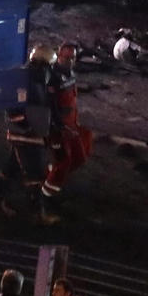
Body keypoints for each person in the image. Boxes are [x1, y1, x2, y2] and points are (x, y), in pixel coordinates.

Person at [0, 46, 54, 217]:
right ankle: (37, 214)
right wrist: (27, 126)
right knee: (34, 174)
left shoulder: (32, 78)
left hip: (27, 134)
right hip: (26, 136)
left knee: (11, 169)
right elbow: (14, 106)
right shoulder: (28, 80)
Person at [38, 44, 91, 225]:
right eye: (67, 57)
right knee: (63, 163)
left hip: (70, 126)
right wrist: (60, 126)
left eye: (73, 57)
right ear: (59, 56)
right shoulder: (52, 77)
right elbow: (50, 106)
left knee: (79, 158)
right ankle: (45, 204)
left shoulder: (70, 75)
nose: (70, 61)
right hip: (58, 129)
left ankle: (47, 179)